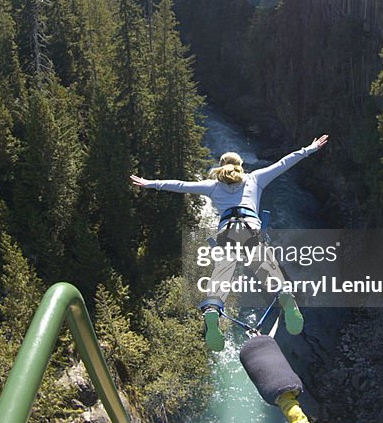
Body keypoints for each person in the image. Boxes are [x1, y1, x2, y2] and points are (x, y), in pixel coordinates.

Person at [130, 135, 329, 350]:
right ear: (240, 166)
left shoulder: (213, 186)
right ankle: (284, 295)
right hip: (250, 228)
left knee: (222, 273)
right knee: (264, 265)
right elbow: (284, 162)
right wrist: (310, 148)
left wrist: (150, 184)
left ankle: (213, 309)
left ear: (221, 166)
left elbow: (180, 185)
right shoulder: (254, 179)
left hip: (227, 231)